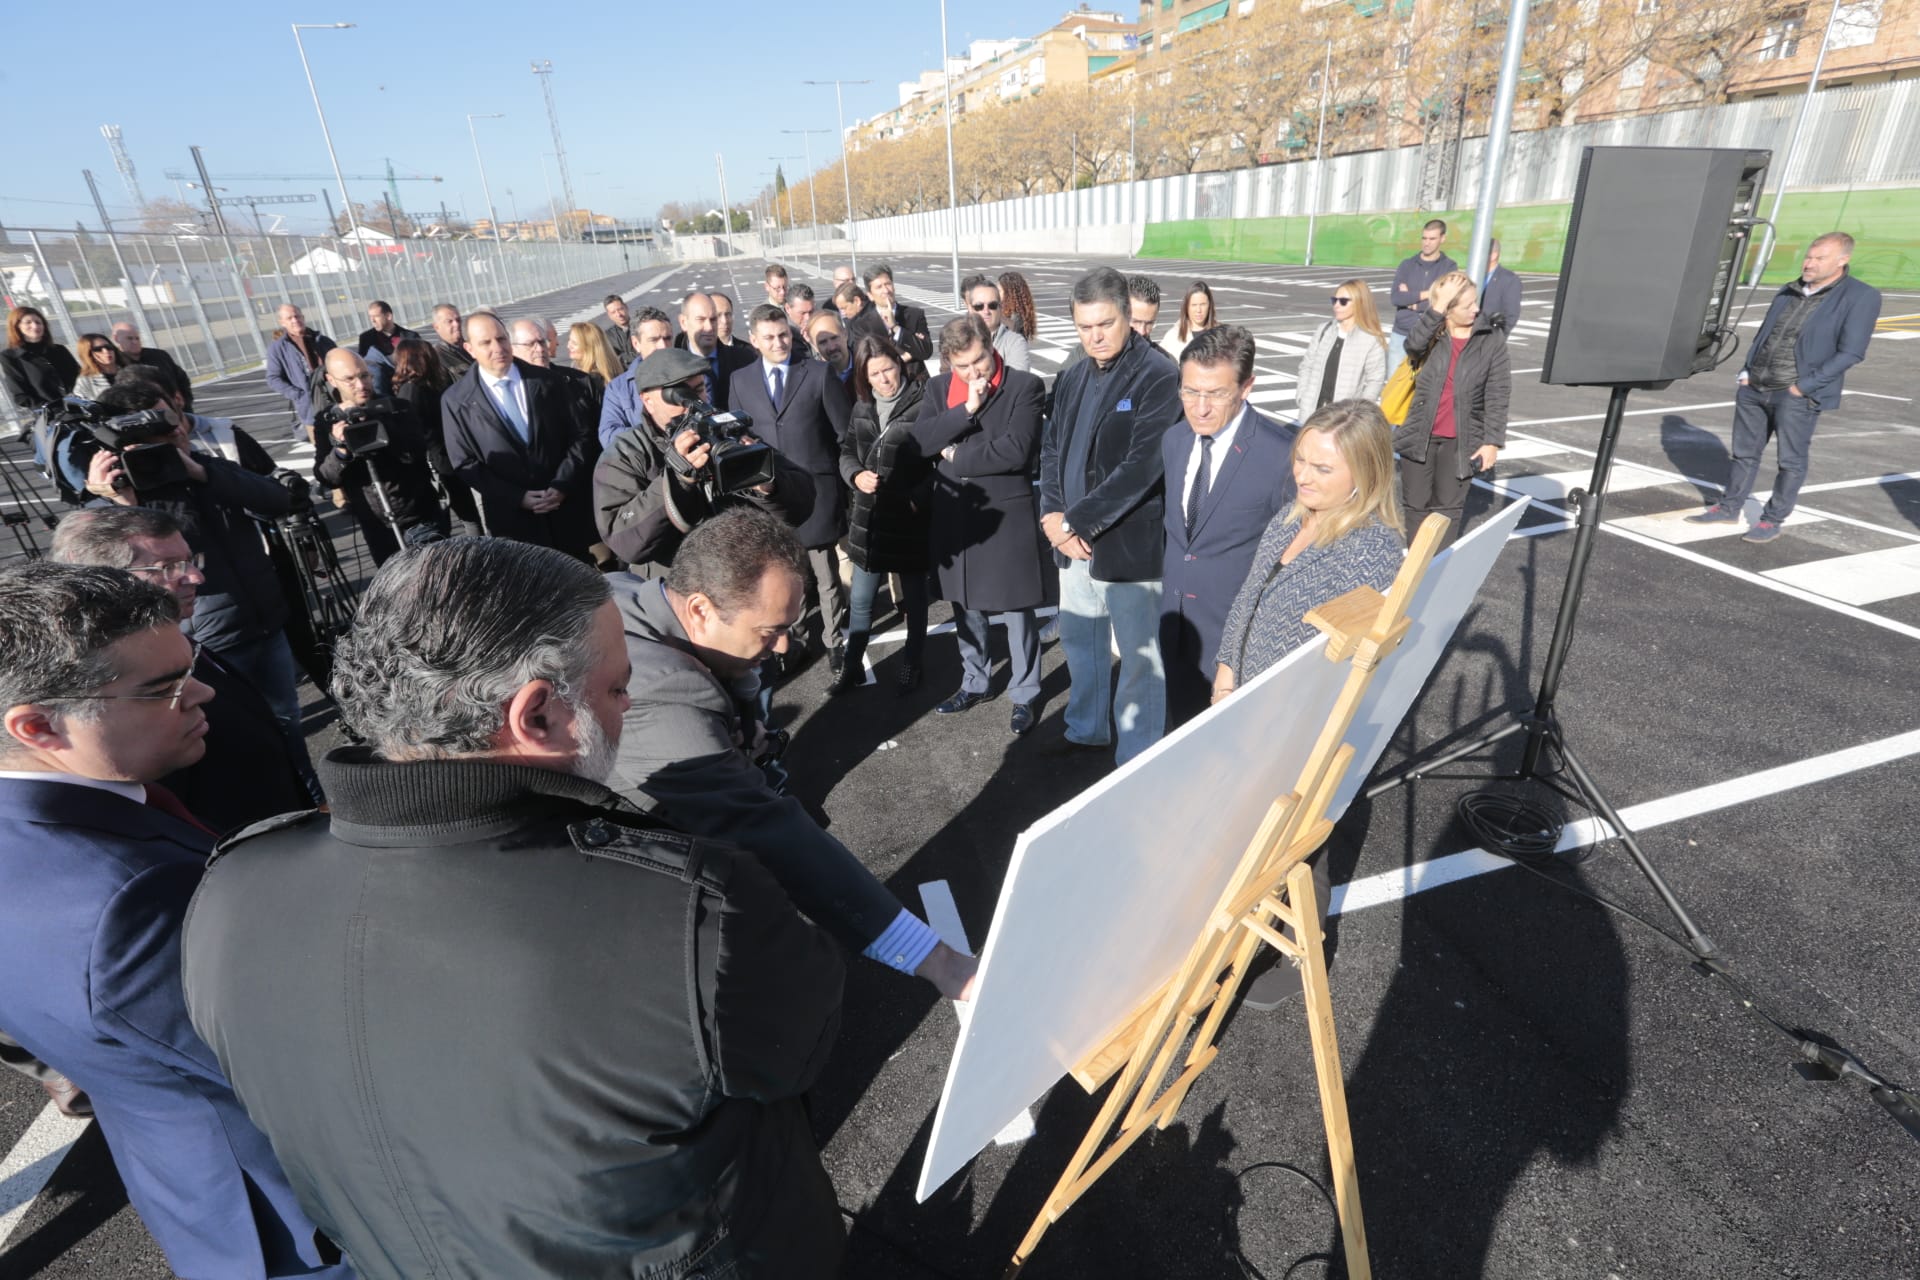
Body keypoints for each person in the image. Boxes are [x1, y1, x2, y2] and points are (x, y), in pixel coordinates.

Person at [182, 538, 850, 1279]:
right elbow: (801, 1038)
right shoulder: (681, 909)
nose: (629, 708)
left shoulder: (231, 889)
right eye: (619, 689)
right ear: (535, 717)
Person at [0, 563, 349, 1279]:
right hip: (304, 1218)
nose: (203, 692)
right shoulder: (126, 902)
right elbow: (301, 1067)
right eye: (162, 689)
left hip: (190, 1185)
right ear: (37, 725)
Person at [608, 507, 976, 1002]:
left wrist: (739, 716)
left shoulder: (627, 594)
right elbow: (765, 826)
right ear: (699, 609)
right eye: (768, 632)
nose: (783, 648)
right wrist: (939, 961)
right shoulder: (660, 692)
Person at [1213, 400, 1406, 1005]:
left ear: (1366, 474)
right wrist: (1224, 675)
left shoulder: (1375, 550)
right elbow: (1248, 599)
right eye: (1302, 459)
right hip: (1246, 705)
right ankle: (1241, 939)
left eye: (1323, 469)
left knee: (1300, 847)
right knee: (1247, 834)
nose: (1304, 475)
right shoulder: (1292, 516)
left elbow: (1346, 658)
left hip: (1302, 723)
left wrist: (1278, 715)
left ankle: (1300, 951)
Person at [83, 380, 316, 794]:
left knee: (287, 722)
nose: (177, 431)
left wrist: (201, 472)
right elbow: (111, 567)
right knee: (233, 743)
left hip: (266, 621)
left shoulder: (205, 468)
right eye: (161, 428)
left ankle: (310, 799)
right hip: (209, 641)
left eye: (175, 418)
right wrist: (114, 502)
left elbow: (277, 499)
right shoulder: (123, 493)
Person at [48, 507, 313, 833]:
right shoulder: (117, 688)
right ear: (107, 577)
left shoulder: (178, 639)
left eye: (191, 560)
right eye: (169, 567)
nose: (196, 577)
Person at [1039, 267, 1183, 764]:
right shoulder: (1074, 375)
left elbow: (1142, 467)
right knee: (1082, 641)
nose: (1095, 336)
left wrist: (1074, 521)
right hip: (1071, 540)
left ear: (1127, 315)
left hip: (1126, 544)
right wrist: (1052, 518)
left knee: (1140, 657)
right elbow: (1053, 449)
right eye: (1084, 327)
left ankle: (1138, 757)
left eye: (1105, 324)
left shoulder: (1160, 377)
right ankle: (1086, 729)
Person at [1687, 231, 1881, 544]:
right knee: (1744, 454)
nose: (1810, 263)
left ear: (1843, 260)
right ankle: (1729, 507)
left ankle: (1772, 519)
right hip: (1755, 387)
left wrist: (1803, 387)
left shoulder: (1860, 296)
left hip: (1795, 394)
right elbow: (1766, 332)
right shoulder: (1789, 290)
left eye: (1820, 258)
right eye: (1809, 256)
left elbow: (1852, 352)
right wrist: (1746, 371)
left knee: (1790, 461)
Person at [914, 315, 1052, 733]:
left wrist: (955, 455)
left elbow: (1015, 451)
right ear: (948, 363)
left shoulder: (1024, 387)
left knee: (1016, 609)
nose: (975, 372)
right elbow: (922, 441)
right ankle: (974, 681)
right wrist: (966, 409)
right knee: (965, 605)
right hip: (958, 519)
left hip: (1006, 517)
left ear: (992, 347)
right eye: (964, 366)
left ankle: (1025, 692)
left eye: (980, 361)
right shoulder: (938, 390)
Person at [1160, 325, 1298, 730]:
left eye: (1215, 393)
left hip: (1238, 646)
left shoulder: (1281, 456)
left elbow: (1290, 561)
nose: (1199, 407)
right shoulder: (1174, 440)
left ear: (1246, 386)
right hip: (1177, 628)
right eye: (1189, 391)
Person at [593, 347, 814, 572]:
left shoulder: (727, 431)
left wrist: (767, 484)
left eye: (699, 390)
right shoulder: (627, 453)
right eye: (678, 395)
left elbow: (802, 506)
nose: (691, 404)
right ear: (647, 401)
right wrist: (676, 478)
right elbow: (625, 542)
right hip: (680, 590)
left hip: (744, 577)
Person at [729, 303, 853, 670]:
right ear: (754, 340)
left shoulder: (817, 374)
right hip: (770, 499)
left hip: (818, 493)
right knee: (783, 574)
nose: (779, 342)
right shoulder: (740, 381)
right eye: (769, 337)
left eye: (783, 334)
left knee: (825, 575)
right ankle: (794, 642)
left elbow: (843, 433)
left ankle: (834, 642)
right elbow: (738, 437)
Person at [441, 310, 598, 555]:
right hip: (513, 523)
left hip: (564, 514)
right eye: (486, 343)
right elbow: (464, 462)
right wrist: (517, 497)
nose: (497, 347)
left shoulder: (548, 381)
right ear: (469, 349)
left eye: (501, 339)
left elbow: (580, 435)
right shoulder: (456, 400)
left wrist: (562, 484)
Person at [833, 335, 930, 695]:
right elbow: (846, 451)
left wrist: (918, 499)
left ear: (899, 364)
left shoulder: (923, 401)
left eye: (888, 368)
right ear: (864, 376)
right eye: (875, 374)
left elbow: (938, 461)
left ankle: (912, 663)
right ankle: (852, 664)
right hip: (869, 521)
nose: (885, 379)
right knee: (860, 601)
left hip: (908, 519)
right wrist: (855, 475)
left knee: (916, 601)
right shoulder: (862, 407)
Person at [1394, 270, 1508, 548]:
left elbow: (1498, 392)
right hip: (1420, 433)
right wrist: (1436, 308)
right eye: (1467, 305)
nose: (1476, 309)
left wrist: (1492, 441)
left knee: (1447, 510)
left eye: (1475, 302)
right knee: (1416, 506)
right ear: (1448, 308)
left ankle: (1438, 568)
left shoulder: (1490, 340)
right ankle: (1414, 567)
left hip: (1462, 439)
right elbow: (1413, 347)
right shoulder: (1432, 334)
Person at [314, 349, 447, 562]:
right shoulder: (326, 420)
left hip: (419, 516)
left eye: (364, 375)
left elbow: (416, 452)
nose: (360, 385)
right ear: (331, 380)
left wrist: (379, 422)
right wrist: (340, 449)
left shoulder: (396, 407)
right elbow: (326, 477)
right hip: (376, 526)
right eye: (349, 379)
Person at [392, 337, 482, 537]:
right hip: (440, 463)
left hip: (444, 459)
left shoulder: (420, 387)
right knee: (463, 517)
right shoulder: (419, 388)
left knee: (464, 516)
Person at [1295, 280, 1390, 418]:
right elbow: (1306, 366)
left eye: (1343, 301)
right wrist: (1302, 397)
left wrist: (1358, 415)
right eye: (1334, 300)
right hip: (1311, 414)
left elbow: (1375, 381)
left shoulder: (1370, 340)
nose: (1336, 305)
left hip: (1343, 420)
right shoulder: (1324, 330)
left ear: (1359, 303)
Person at [1389, 218, 1458, 369]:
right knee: (1394, 387)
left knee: (1424, 388)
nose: (1427, 243)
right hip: (1402, 334)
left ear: (1442, 239)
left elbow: (1447, 301)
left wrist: (1412, 303)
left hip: (1432, 336)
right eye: (1424, 238)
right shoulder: (1407, 265)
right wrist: (1430, 294)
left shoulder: (1449, 267)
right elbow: (1396, 298)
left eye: (1432, 239)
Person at [672, 290, 755, 410]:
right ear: (683, 322)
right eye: (701, 319)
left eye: (713, 319)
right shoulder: (672, 369)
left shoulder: (745, 359)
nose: (709, 327)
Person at [264, 303, 336, 435]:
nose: (295, 320)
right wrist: (298, 395)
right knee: (324, 450)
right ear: (282, 322)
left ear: (303, 317)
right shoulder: (278, 348)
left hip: (335, 402)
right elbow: (273, 378)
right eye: (290, 318)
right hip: (310, 409)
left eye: (297, 316)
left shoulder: (324, 341)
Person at [865, 263, 934, 383]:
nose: (886, 290)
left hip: (917, 385)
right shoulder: (862, 324)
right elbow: (867, 363)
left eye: (888, 284)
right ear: (870, 295)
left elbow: (926, 351)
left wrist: (896, 328)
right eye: (879, 287)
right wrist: (909, 354)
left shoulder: (914, 315)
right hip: (884, 386)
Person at [2, 305, 79, 411]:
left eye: (38, 322)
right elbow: (21, 395)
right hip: (51, 415)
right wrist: (49, 408)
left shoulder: (59, 350)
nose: (35, 326)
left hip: (79, 407)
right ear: (16, 326)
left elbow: (80, 377)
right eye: (28, 322)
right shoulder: (10, 357)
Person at [112, 322, 194, 410]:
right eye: (129, 338)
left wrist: (186, 399)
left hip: (179, 409)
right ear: (116, 339)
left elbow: (181, 378)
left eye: (137, 338)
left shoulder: (159, 355)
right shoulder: (116, 364)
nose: (135, 342)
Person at [964, 274, 1029, 372]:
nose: (986, 311)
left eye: (992, 305)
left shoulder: (1014, 342)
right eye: (979, 306)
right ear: (970, 308)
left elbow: (1018, 382)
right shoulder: (957, 338)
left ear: (1000, 307)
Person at [1163, 281, 1217, 362]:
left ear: (1209, 305)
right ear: (1186, 307)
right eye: (1194, 305)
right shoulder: (1173, 336)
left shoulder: (1220, 333)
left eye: (1202, 304)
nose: (1198, 310)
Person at [1480, 238, 1523, 334]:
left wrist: (1497, 339)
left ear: (1493, 255)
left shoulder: (1509, 280)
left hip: (1489, 338)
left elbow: (1511, 315)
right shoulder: (1473, 274)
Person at [74, 331, 129, 398]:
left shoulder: (130, 371)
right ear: (88, 354)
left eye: (108, 347)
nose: (106, 351)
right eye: (98, 349)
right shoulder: (85, 381)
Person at [428, 302, 475, 378]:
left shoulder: (472, 345)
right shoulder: (437, 357)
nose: (456, 324)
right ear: (436, 327)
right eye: (449, 321)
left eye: (458, 320)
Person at [809, 310, 853, 383]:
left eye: (834, 338)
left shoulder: (868, 366)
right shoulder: (813, 381)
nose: (832, 347)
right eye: (823, 342)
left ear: (845, 334)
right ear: (814, 346)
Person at [997, 271, 1037, 347]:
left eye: (999, 291)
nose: (997, 294)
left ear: (1009, 293)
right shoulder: (1007, 310)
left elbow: (1004, 339)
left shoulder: (1016, 316)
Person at [784, 284, 819, 358]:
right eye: (802, 313)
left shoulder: (821, 326)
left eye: (811, 311)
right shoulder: (782, 337)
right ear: (788, 308)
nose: (807, 318)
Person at [600, 292, 633, 364]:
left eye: (620, 309)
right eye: (613, 312)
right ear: (609, 315)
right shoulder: (608, 336)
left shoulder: (642, 327)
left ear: (626, 307)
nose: (618, 314)